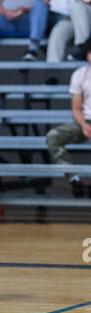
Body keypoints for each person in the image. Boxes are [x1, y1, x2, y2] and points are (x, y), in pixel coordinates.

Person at [46, 39, 91, 197]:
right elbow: (76, 108)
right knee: (53, 137)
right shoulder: (80, 74)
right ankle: (75, 180)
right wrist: (84, 125)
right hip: (85, 121)